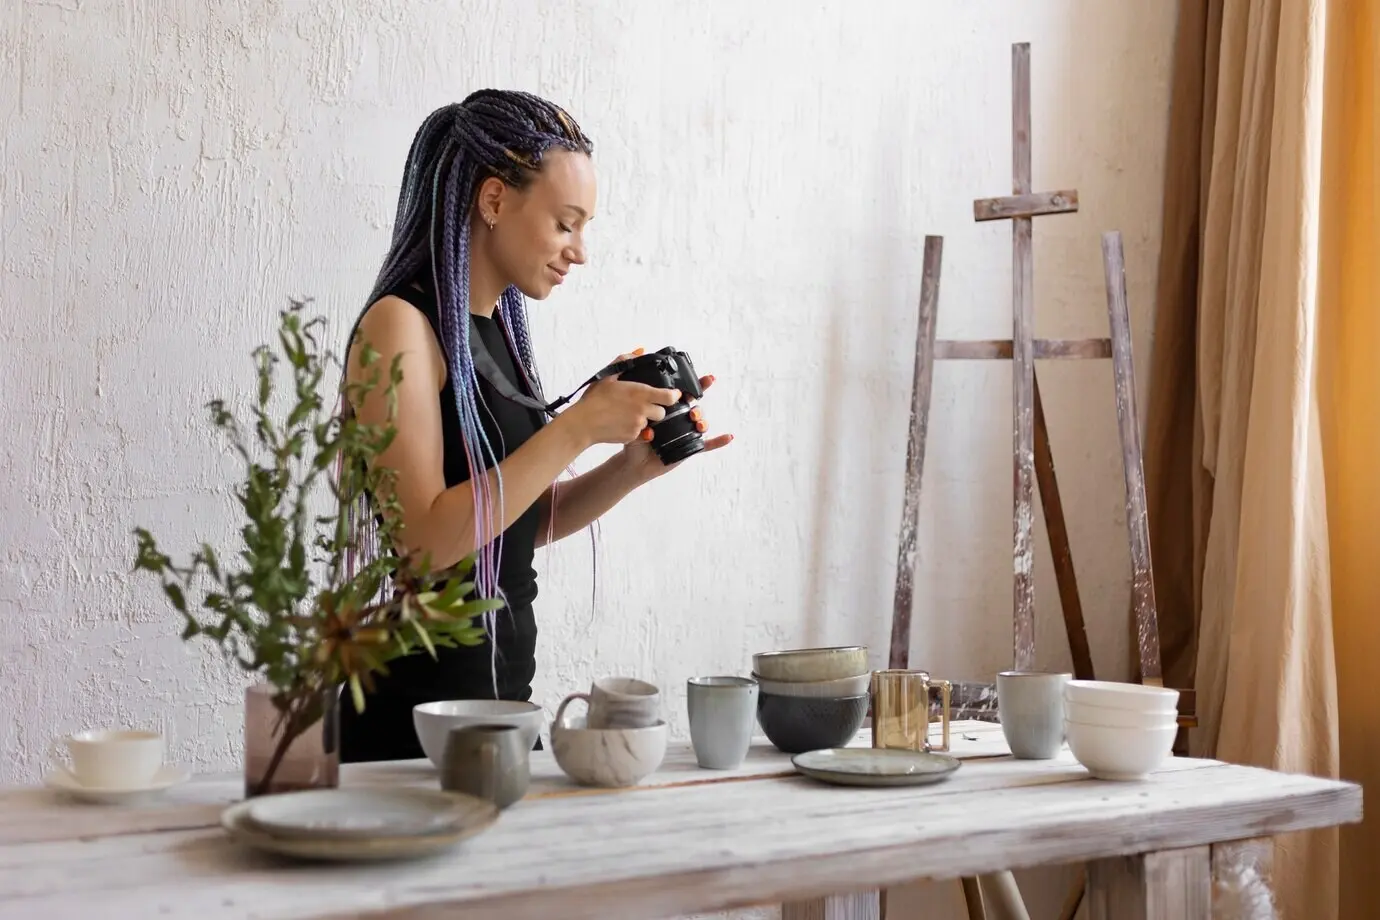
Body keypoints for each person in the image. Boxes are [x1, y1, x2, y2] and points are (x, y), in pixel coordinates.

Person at [335, 90, 733, 763]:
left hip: (498, 712)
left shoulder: (491, 335)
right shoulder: (400, 325)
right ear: (494, 200)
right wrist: (575, 428)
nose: (580, 251)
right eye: (566, 224)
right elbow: (425, 543)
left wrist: (631, 466)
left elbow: (513, 523)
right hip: (412, 727)